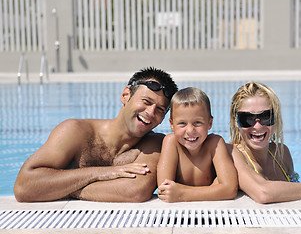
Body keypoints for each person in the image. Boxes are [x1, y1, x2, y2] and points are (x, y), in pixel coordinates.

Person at [14, 67, 178, 202]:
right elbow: (24, 187)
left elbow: (135, 192)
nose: (150, 112)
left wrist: (61, 189)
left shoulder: (154, 145)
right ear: (125, 95)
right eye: (146, 102)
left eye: (160, 110)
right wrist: (100, 173)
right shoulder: (75, 131)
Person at [156, 87, 238, 202]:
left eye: (197, 122)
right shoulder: (172, 143)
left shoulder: (215, 144)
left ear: (210, 123)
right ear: (171, 124)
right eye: (182, 123)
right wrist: (214, 190)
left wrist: (182, 193)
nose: (190, 130)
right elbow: (165, 190)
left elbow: (230, 189)